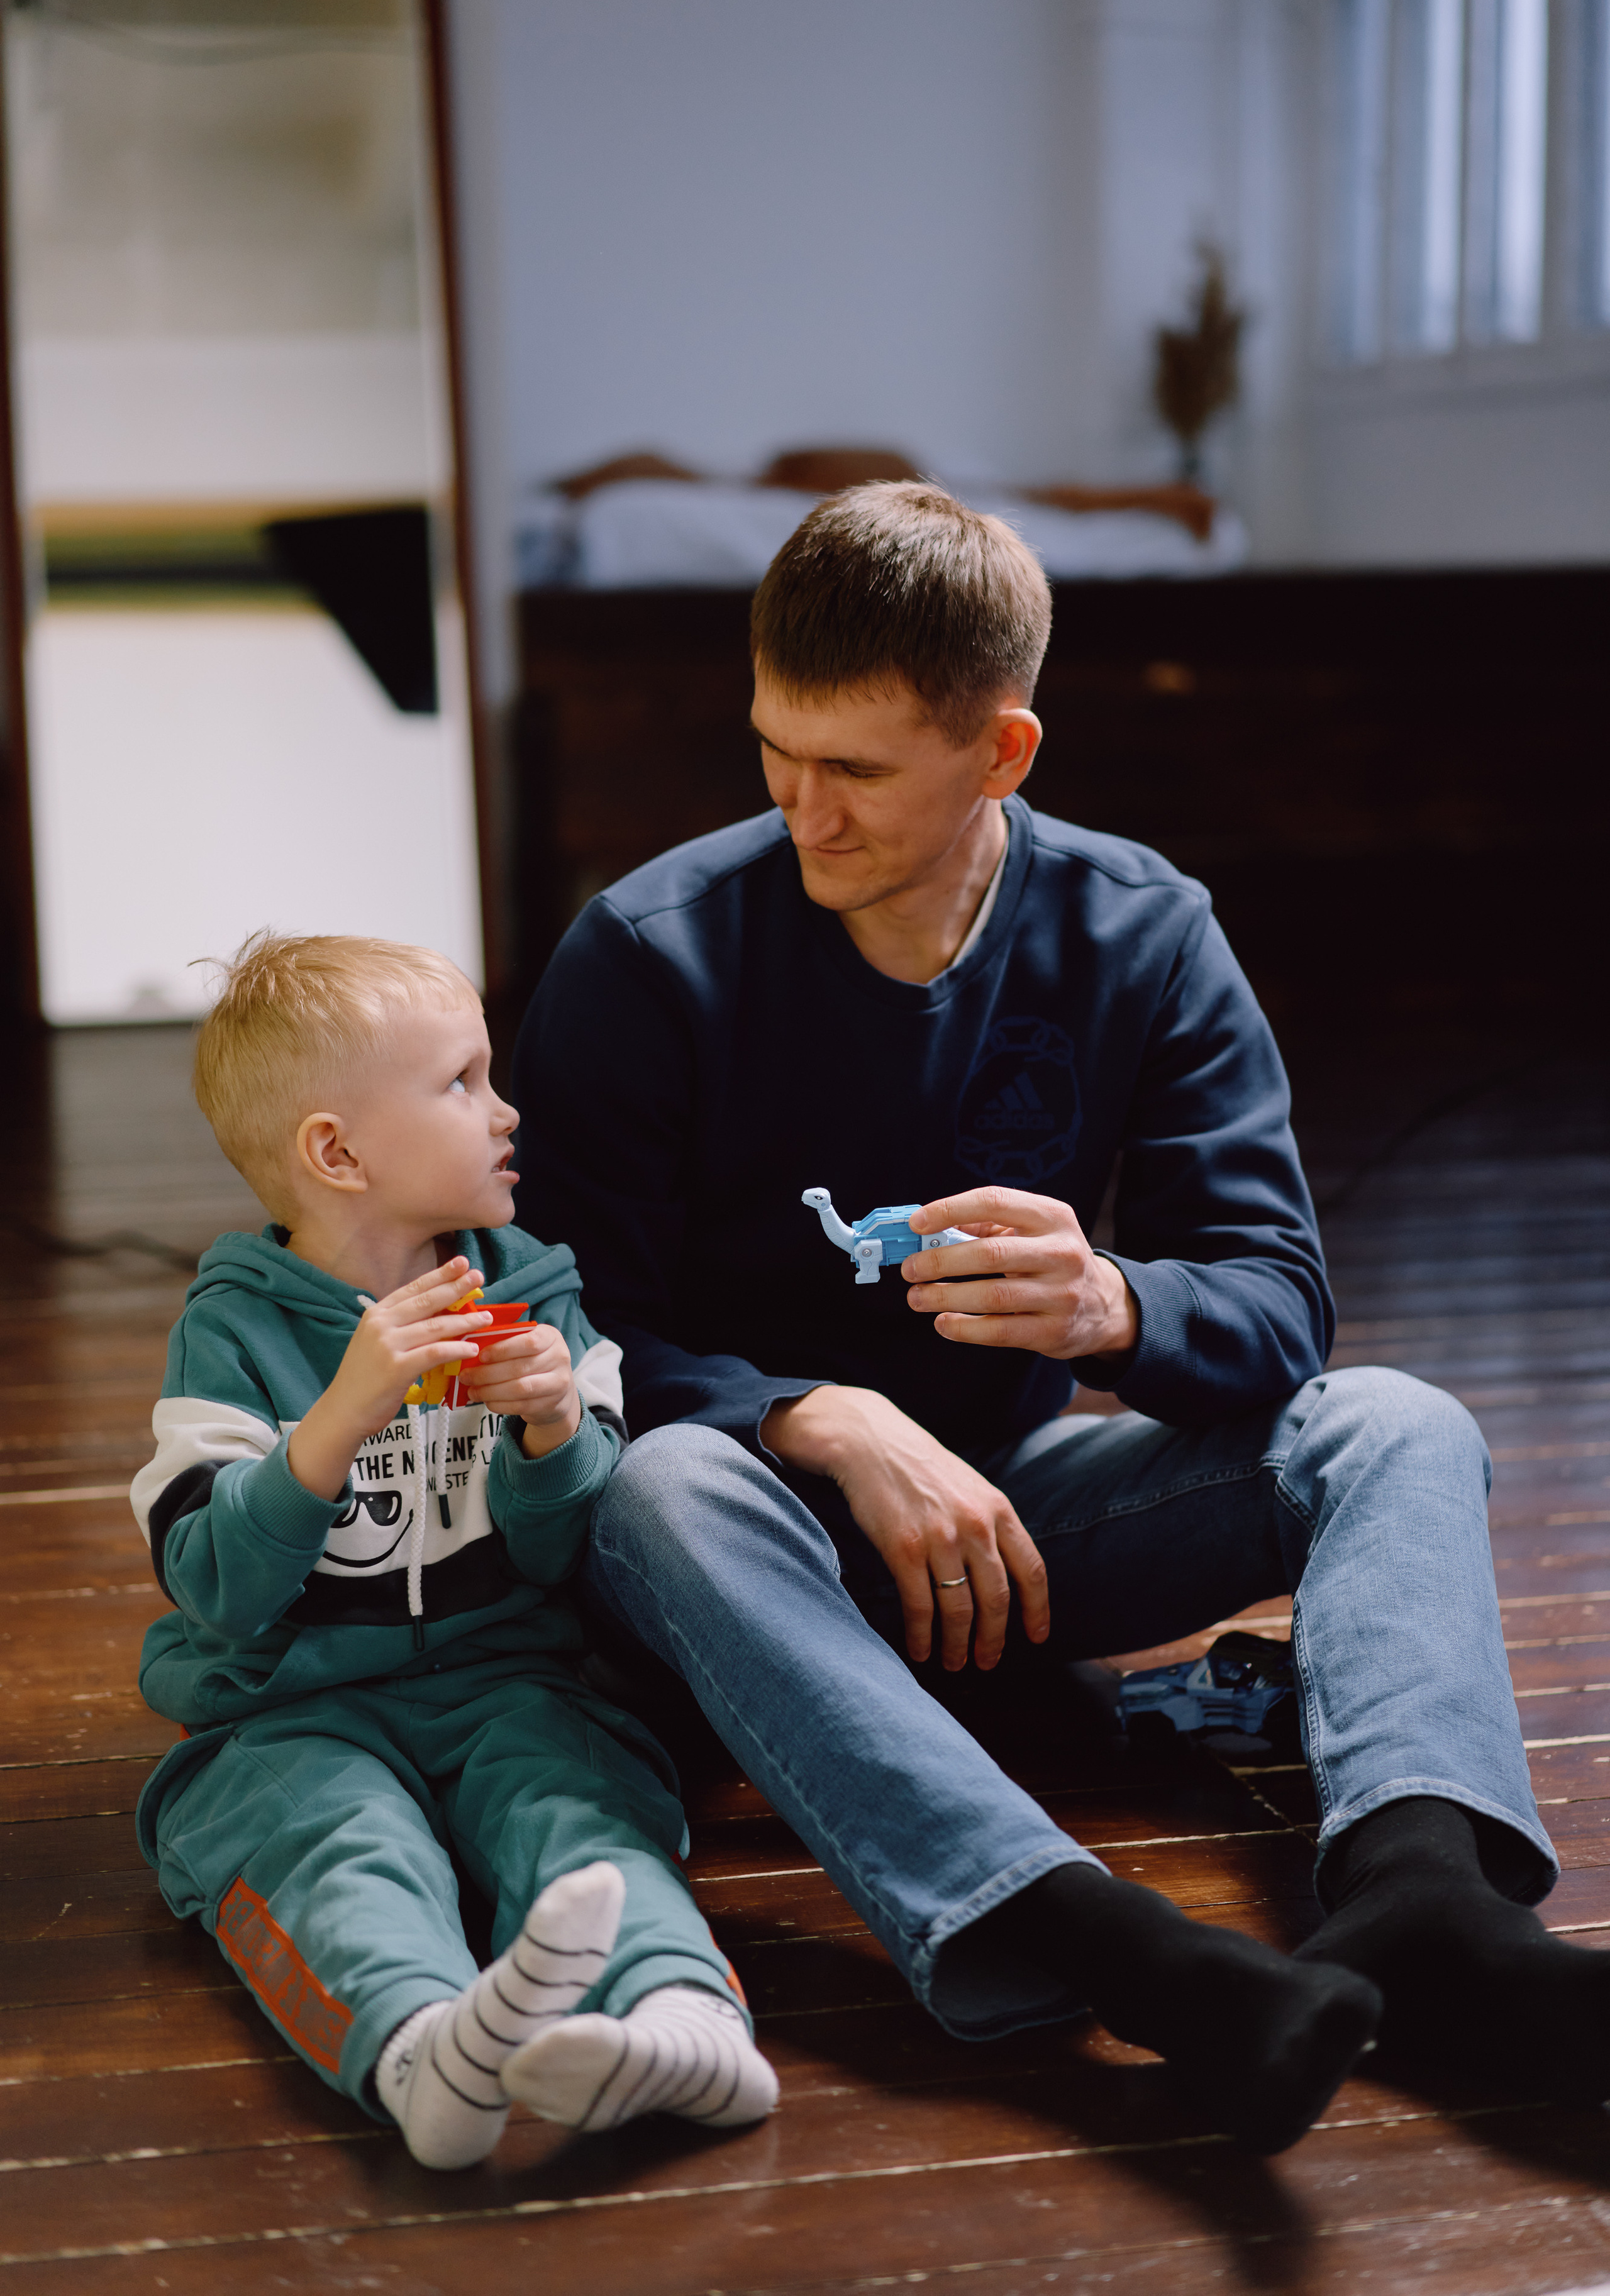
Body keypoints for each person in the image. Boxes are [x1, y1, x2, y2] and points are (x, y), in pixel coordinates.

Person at [513, 482, 1610, 2153]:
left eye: (860, 771)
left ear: (1004, 753)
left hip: (1003, 1542)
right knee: (667, 1477)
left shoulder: (1144, 929)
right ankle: (1090, 1936)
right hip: (728, 1561)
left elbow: (1275, 1302)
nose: (802, 812)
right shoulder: (644, 955)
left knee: (1402, 1421)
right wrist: (811, 1411)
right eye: (773, 751)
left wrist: (1111, 1300)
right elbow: (572, 1335)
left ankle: (1427, 1901)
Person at [130, 933, 777, 2171]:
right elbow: (216, 1584)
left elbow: (564, 1552)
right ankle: (424, 2048)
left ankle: (683, 2020)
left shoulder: (533, 1291)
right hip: (291, 1708)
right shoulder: (235, 1335)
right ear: (337, 1151)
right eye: (462, 1082)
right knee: (328, 1838)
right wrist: (334, 1419)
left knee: (578, 1809)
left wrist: (547, 1427)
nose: (505, 1109)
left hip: (509, 1674)